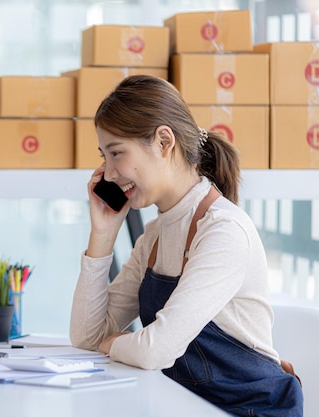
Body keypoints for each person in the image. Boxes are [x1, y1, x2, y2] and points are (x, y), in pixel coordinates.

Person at [70, 75, 303, 416]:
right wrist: (103, 235)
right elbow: (87, 336)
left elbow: (155, 351)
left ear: (164, 142)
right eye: (104, 156)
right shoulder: (155, 236)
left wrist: (114, 344)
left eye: (116, 153)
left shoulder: (224, 231)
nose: (107, 174)